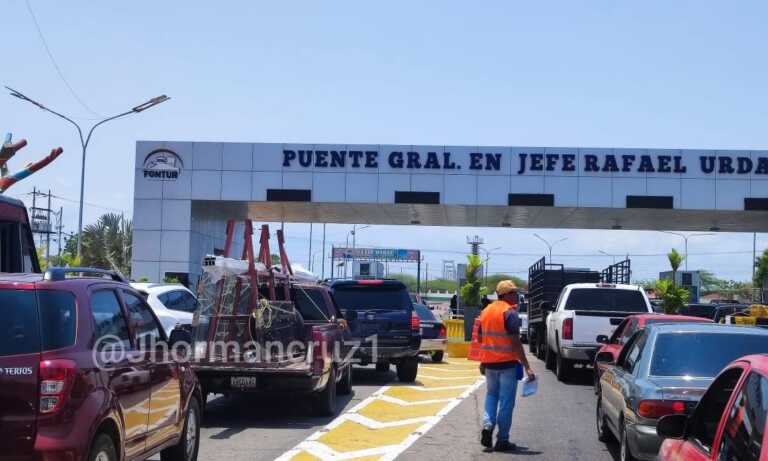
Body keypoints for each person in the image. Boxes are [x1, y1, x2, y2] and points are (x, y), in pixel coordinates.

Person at [476, 280, 535, 452]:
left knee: (491, 395)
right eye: (514, 292)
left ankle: (487, 425)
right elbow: (516, 343)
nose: (516, 295)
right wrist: (527, 366)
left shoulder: (485, 312)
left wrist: (484, 359)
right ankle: (502, 440)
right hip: (507, 364)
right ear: (506, 294)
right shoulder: (509, 313)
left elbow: (481, 338)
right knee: (506, 402)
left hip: (489, 364)